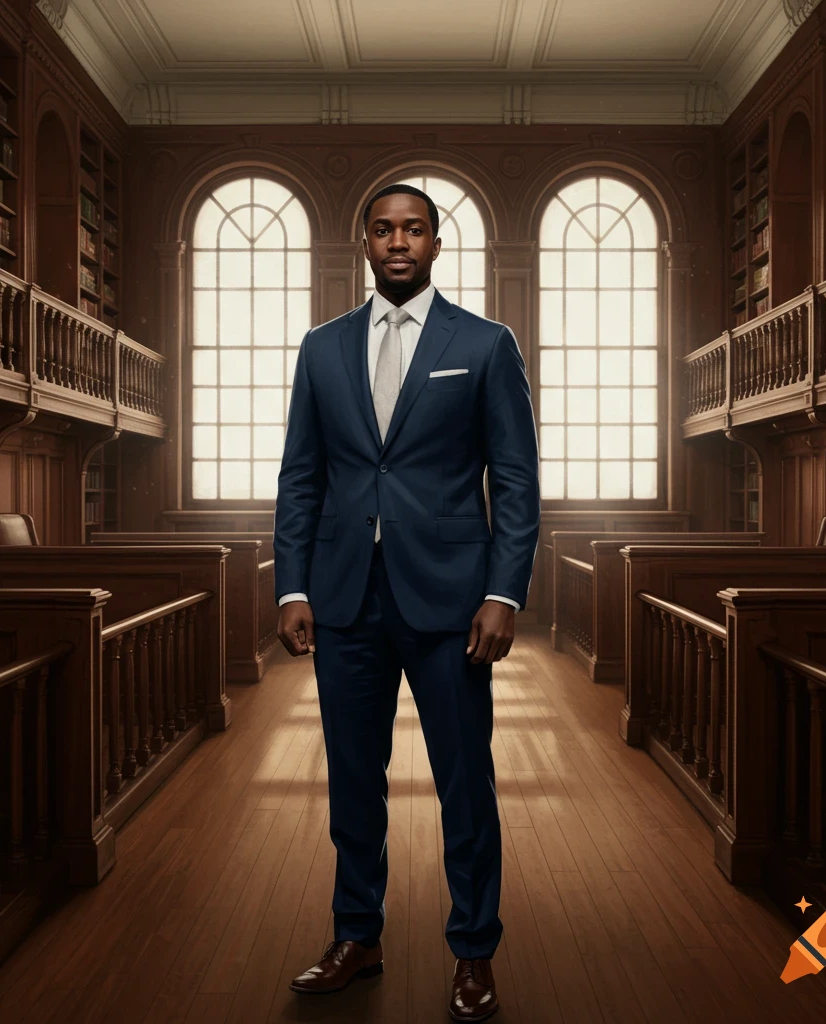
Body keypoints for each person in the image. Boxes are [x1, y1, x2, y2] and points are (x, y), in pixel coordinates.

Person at [273, 182, 540, 1022]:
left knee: (466, 784)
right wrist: (292, 584)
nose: (398, 242)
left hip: (453, 602)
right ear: (364, 242)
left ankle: (474, 950)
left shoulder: (486, 344)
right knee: (354, 781)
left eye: (414, 229)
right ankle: (358, 936)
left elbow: (517, 481)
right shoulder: (322, 348)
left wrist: (503, 591)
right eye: (384, 229)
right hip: (344, 596)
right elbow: (301, 476)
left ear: (435, 244)